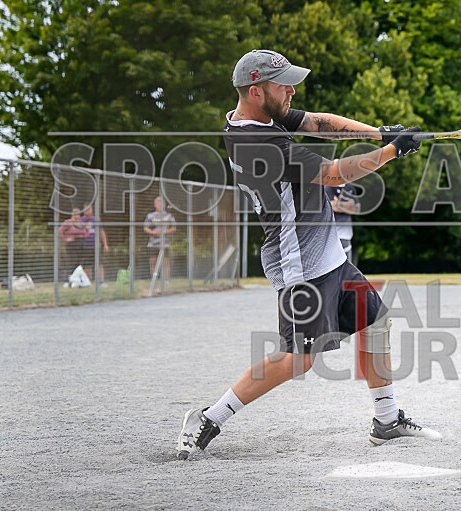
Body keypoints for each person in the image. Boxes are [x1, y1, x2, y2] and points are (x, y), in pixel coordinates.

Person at [176, 49, 440, 460]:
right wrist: (394, 151)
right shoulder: (257, 142)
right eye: (285, 85)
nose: (293, 90)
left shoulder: (258, 115)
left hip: (325, 251)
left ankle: (386, 421)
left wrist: (379, 133)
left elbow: (318, 123)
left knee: (375, 322)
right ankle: (208, 418)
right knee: (297, 359)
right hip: (297, 258)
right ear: (257, 90)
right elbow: (335, 173)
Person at [143, 196, 176, 281]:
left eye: (161, 203)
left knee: (165, 262)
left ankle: (166, 280)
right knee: (153, 261)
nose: (159, 204)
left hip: (165, 243)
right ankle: (154, 280)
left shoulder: (168, 216)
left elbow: (174, 228)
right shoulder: (150, 216)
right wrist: (153, 232)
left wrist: (164, 232)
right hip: (153, 243)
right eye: (158, 203)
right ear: (155, 204)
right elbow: (145, 228)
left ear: (164, 204)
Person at [325, 183, 360, 262]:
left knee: (347, 263)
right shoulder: (329, 187)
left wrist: (339, 204)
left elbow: (357, 209)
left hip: (346, 233)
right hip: (332, 232)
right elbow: (332, 206)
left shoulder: (350, 187)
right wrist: (349, 205)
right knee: (333, 262)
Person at [79, 205, 109, 286]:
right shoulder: (80, 220)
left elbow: (102, 232)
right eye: (85, 209)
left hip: (96, 246)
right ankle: (88, 282)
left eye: (89, 209)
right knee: (87, 265)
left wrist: (105, 244)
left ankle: (101, 282)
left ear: (92, 210)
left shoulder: (96, 220)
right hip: (85, 246)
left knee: (99, 263)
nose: (87, 211)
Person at [58, 208, 86, 278]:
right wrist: (65, 239)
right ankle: (67, 279)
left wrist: (84, 235)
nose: (78, 215)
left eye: (79, 213)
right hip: (72, 244)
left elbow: (86, 232)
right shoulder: (68, 222)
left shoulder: (81, 223)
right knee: (71, 262)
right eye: (76, 213)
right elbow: (60, 231)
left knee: (79, 262)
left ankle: (78, 279)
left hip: (81, 243)